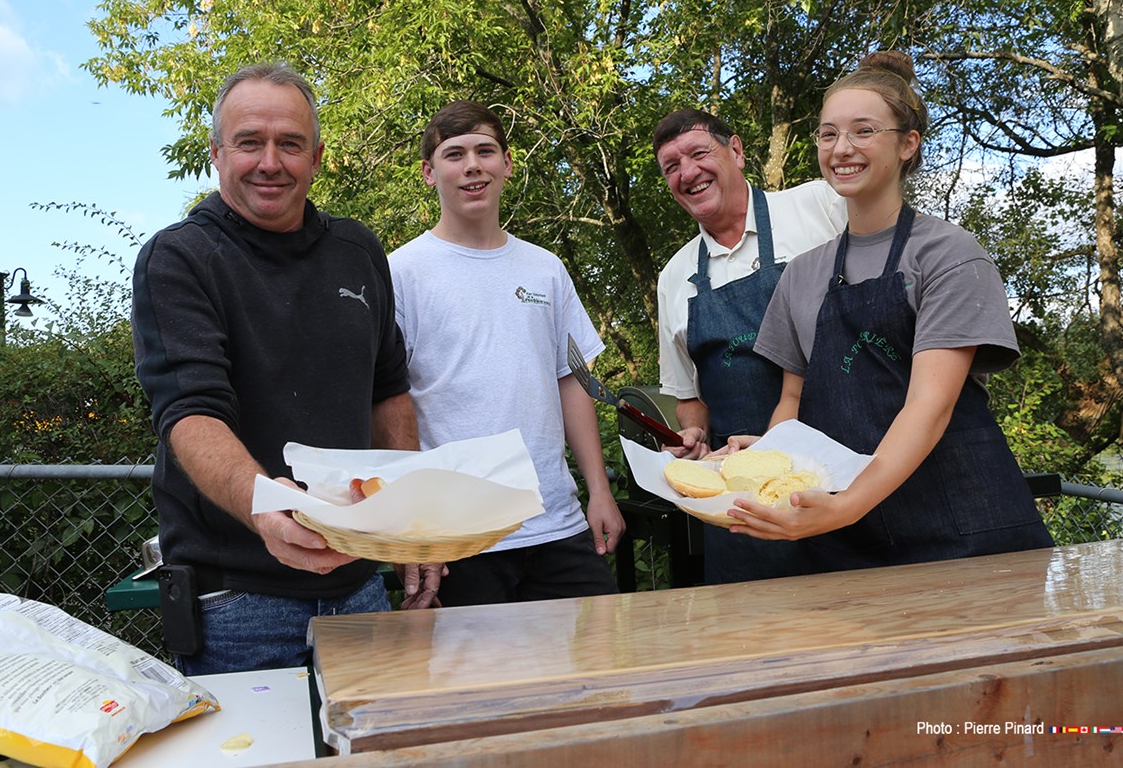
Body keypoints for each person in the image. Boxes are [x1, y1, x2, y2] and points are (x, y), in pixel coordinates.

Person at [131, 62, 438, 675]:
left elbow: (388, 391)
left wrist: (407, 521)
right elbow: (190, 412)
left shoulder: (358, 250)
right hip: (236, 603)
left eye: (290, 144)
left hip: (360, 587)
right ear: (217, 153)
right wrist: (264, 506)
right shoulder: (179, 258)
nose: (270, 162)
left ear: (317, 157)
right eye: (249, 142)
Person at [727, 51, 1053, 571]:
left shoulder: (947, 254)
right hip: (846, 540)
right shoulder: (802, 274)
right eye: (828, 134)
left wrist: (846, 505)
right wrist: (771, 460)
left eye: (863, 131)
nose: (842, 148)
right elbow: (793, 400)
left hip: (962, 528)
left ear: (907, 144)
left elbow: (929, 406)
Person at [389, 100, 625, 606]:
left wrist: (599, 491)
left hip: (557, 525)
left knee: (600, 652)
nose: (472, 166)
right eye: (455, 154)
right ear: (429, 172)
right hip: (458, 536)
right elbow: (387, 400)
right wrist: (412, 524)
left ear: (507, 164)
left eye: (485, 151)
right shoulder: (401, 272)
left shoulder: (545, 269)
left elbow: (571, 381)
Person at [654, 108, 846, 582]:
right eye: (671, 167)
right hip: (743, 508)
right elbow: (689, 397)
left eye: (698, 153)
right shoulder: (675, 277)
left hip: (849, 479)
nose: (687, 173)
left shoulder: (819, 206)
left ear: (736, 151)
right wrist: (692, 436)